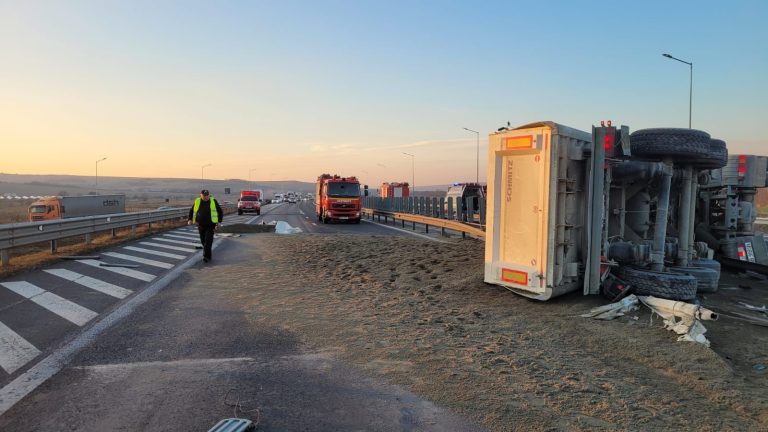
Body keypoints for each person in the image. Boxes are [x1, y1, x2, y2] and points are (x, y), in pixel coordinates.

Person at [188, 189, 223, 262]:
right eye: (204, 195)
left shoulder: (213, 201)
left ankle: (206, 257)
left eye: (207, 195)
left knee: (208, 241)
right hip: (200, 225)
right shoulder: (197, 201)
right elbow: (192, 210)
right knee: (203, 241)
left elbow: (220, 211)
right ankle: (207, 252)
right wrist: (190, 219)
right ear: (201, 195)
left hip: (211, 225)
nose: (206, 197)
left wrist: (219, 222)